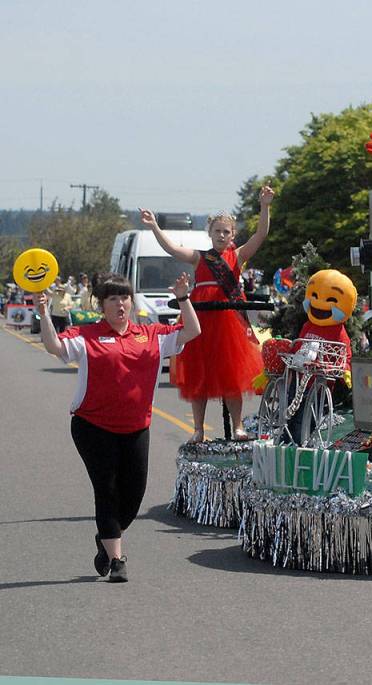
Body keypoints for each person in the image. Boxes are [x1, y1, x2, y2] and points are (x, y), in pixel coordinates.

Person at [35, 272, 200, 582]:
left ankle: (106, 536)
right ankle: (116, 560)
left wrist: (183, 298)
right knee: (106, 490)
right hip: (92, 426)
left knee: (134, 494)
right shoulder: (86, 335)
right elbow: (54, 347)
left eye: (124, 297)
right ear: (102, 305)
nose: (120, 304)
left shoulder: (151, 334)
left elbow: (192, 330)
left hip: (136, 426)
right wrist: (44, 313)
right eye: (113, 299)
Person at [142, 185, 274, 442]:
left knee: (232, 376)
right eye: (217, 231)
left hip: (229, 324)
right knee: (198, 376)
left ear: (233, 234)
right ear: (210, 233)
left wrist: (265, 206)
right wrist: (154, 226)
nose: (222, 235)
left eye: (226, 232)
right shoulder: (199, 258)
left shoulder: (237, 256)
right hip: (200, 322)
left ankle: (237, 427)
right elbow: (171, 249)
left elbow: (261, 234)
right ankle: (199, 429)